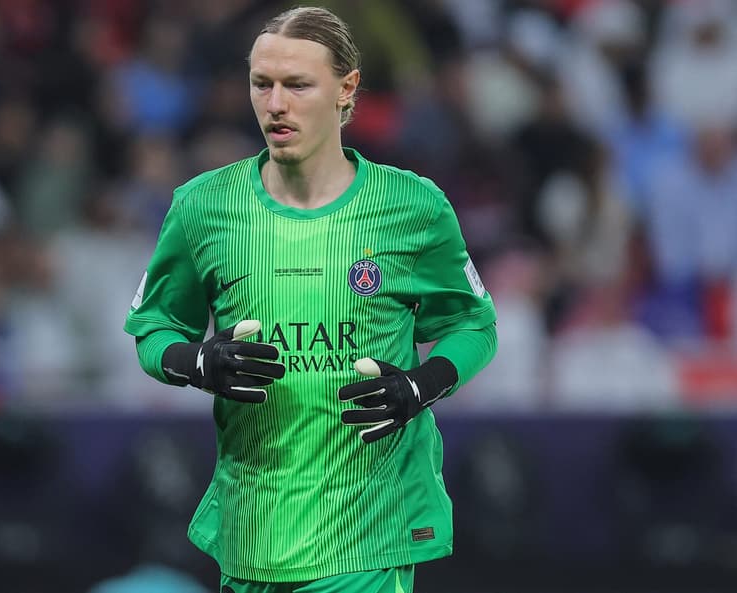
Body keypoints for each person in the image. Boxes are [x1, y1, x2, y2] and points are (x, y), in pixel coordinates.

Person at [124, 7, 497, 593]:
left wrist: (420, 386)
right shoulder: (202, 207)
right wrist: (196, 362)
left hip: (368, 533)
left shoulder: (413, 208)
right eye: (261, 83)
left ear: (346, 89)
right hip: (253, 532)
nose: (275, 104)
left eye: (297, 84)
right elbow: (154, 330)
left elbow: (474, 326)